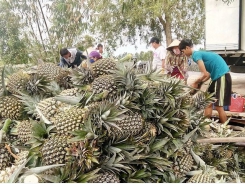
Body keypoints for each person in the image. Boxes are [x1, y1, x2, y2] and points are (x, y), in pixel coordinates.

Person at [179, 39, 232, 123]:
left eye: (183, 51)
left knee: (218, 106)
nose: (183, 54)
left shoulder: (196, 55)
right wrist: (199, 83)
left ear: (187, 48)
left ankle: (224, 129)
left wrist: (195, 82)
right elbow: (208, 74)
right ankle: (206, 125)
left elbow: (204, 74)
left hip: (222, 76)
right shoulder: (199, 54)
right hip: (215, 77)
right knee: (208, 102)